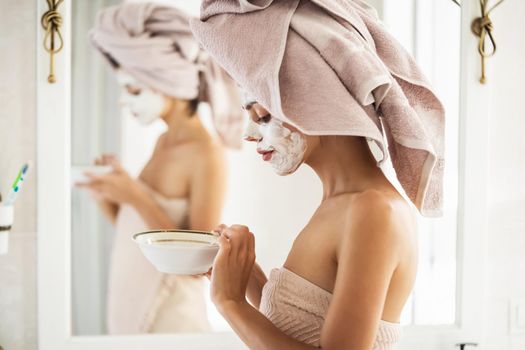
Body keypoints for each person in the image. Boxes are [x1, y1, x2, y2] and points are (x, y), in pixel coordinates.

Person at [191, 0, 445, 348]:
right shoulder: (344, 204)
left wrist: (230, 304)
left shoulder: (373, 211)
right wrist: (247, 279)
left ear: (316, 101)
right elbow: (310, 326)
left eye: (262, 115)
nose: (249, 134)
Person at [78, 2, 243, 334]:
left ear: (170, 82)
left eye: (134, 89)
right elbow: (139, 233)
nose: (123, 101)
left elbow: (199, 261)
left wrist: (135, 195)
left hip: (171, 316)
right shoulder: (163, 142)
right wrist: (109, 197)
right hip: (129, 294)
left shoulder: (206, 154)